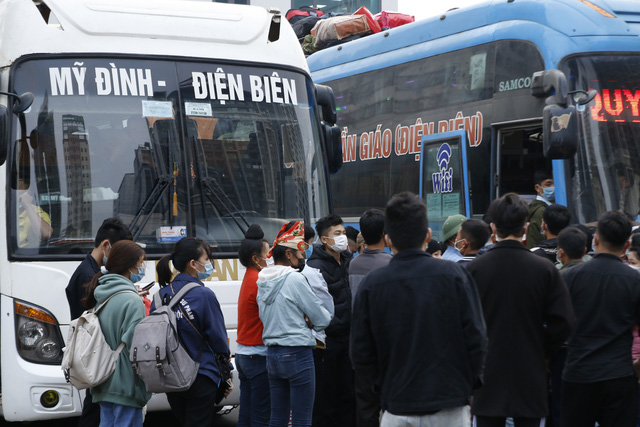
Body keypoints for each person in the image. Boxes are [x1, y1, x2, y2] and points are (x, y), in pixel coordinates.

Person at [351, 192, 487, 427]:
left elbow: (361, 353)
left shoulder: (372, 285)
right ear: (428, 235)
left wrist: (383, 387)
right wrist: (468, 385)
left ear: (388, 239)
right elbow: (476, 338)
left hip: (397, 406)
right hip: (450, 405)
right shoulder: (455, 276)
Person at [466, 193, 574, 427]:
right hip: (531, 371)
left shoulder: (474, 269)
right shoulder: (545, 270)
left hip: (487, 374)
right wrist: (543, 350)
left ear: (493, 227)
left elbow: (461, 323)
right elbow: (563, 322)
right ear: (526, 226)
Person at [561, 211, 640, 427]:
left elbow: (555, 325)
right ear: (627, 245)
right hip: (619, 375)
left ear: (595, 239)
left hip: (578, 374)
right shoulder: (635, 280)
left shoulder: (569, 277)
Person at [257, 221, 332, 427]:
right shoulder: (295, 279)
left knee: (278, 418)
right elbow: (323, 318)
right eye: (299, 252)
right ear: (288, 254)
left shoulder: (262, 280)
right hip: (298, 354)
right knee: (301, 419)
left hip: (272, 355)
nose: (303, 256)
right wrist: (308, 322)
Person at [152, 237, 232, 426]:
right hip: (201, 375)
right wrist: (226, 373)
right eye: (207, 259)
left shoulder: (160, 296)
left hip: (171, 376)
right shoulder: (204, 295)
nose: (210, 264)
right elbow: (219, 340)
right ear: (193, 264)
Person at [64, 217, 134, 427]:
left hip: (93, 350)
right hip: (95, 350)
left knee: (95, 406)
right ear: (106, 245)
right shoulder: (88, 275)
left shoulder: (90, 270)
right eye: (119, 250)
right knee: (94, 410)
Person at [81, 240, 151, 427]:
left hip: (103, 379)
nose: (142, 267)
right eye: (141, 263)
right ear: (130, 266)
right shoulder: (131, 300)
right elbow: (137, 347)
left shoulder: (102, 292)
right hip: (126, 384)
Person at [307, 214, 355, 427]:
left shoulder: (347, 259)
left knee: (348, 395)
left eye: (344, 233)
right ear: (324, 240)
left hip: (349, 339)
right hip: (327, 342)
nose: (343, 237)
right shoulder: (314, 267)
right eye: (337, 234)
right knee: (326, 399)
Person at [348, 209, 393, 427]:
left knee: (365, 408)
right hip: (386, 345)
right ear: (386, 233)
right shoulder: (391, 264)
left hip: (360, 345)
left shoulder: (353, 264)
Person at [549, 226, 588, 427]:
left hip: (563, 354)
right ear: (584, 250)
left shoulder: (558, 277)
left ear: (560, 251)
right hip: (593, 350)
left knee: (561, 406)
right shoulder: (596, 274)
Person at [237, 224, 271, 427]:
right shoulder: (260, 279)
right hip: (258, 355)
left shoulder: (250, 276)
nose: (270, 258)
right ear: (255, 258)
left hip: (244, 354)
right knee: (261, 416)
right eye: (268, 254)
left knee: (247, 414)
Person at [301, 223, 334, 427]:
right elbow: (326, 312)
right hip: (311, 343)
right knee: (312, 399)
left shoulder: (268, 275)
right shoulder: (310, 273)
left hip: (279, 350)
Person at [17, 177, 53, 247]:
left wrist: (27, 206)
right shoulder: (5, 211)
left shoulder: (35, 211)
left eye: (19, 188)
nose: (15, 193)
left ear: (27, 193)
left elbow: (46, 233)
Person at [526, 170, 554, 249]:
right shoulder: (542, 211)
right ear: (538, 188)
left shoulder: (537, 207)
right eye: (548, 184)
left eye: (556, 184)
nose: (553, 187)